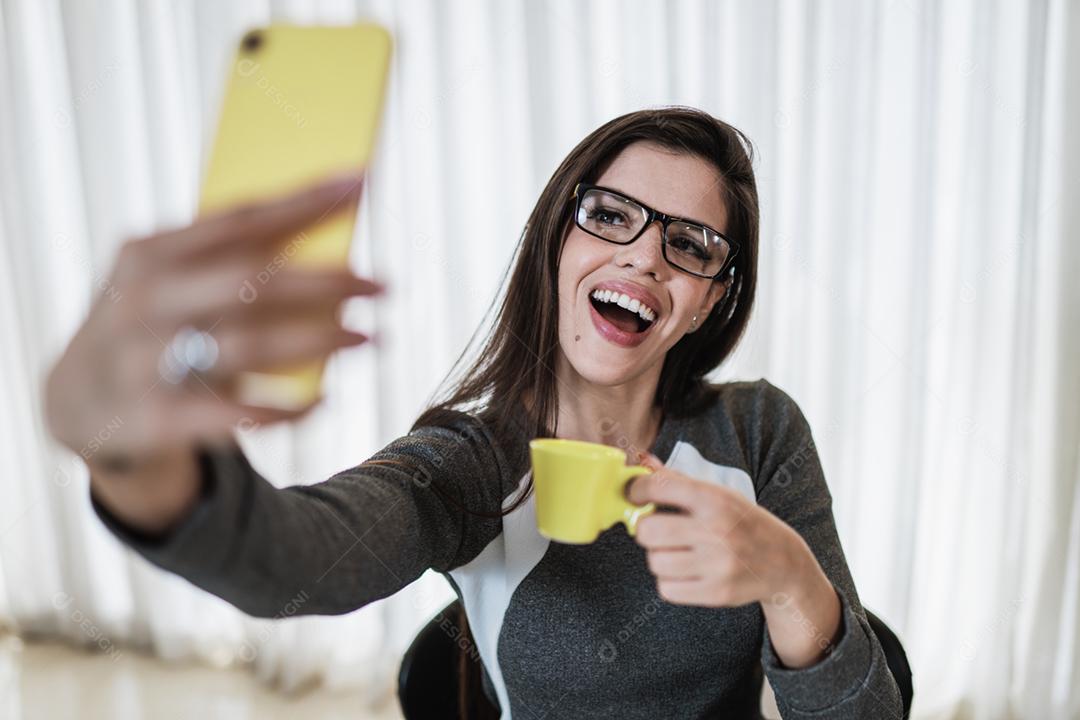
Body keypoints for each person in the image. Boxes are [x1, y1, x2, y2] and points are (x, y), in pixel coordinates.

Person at [44, 106, 904, 719]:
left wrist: (791, 579)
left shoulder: (758, 432)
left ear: (711, 300)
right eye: (610, 216)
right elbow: (292, 558)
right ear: (557, 239)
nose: (645, 256)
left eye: (690, 244)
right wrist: (127, 452)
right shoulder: (471, 460)